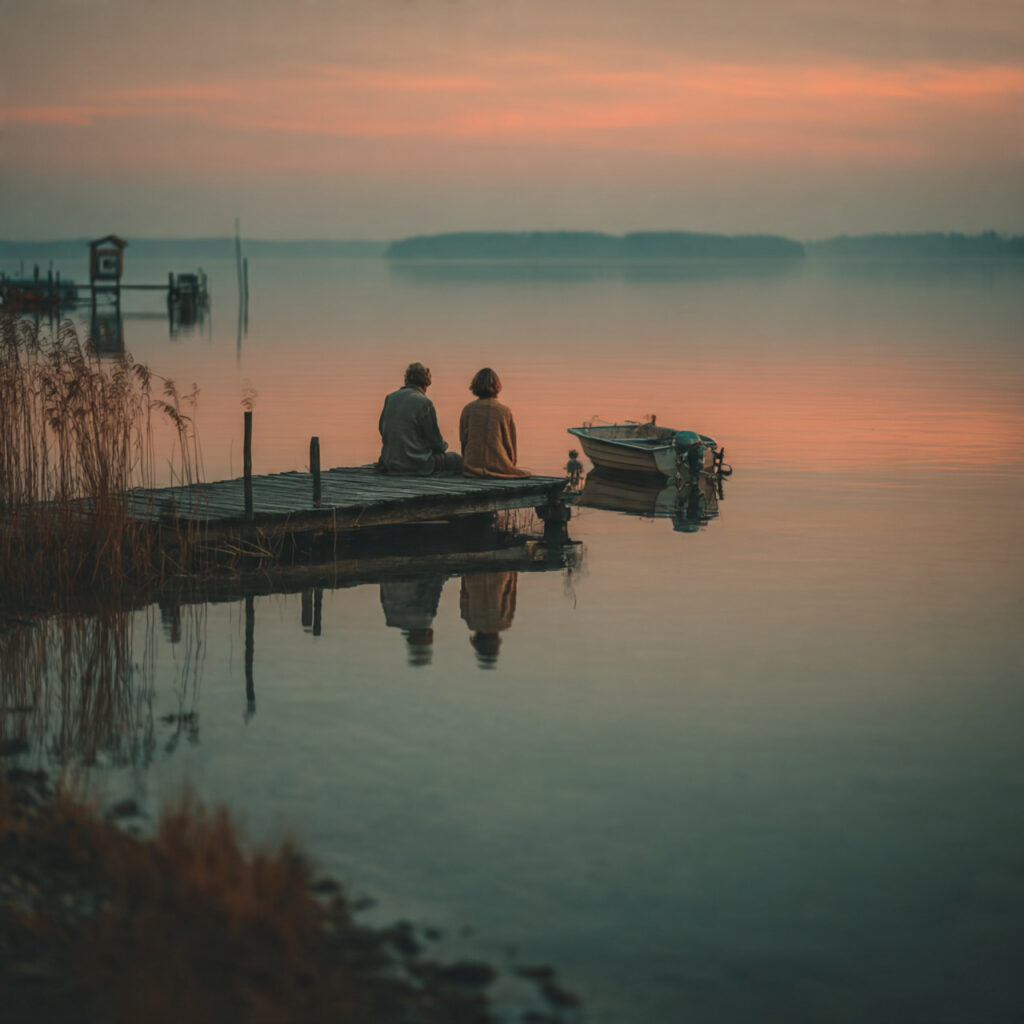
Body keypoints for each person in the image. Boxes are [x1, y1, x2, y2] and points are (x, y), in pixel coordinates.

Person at [378, 362, 462, 475]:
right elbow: (435, 442)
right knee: (456, 459)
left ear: (407, 380)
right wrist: (444, 446)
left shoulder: (390, 398)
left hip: (390, 462)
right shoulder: (424, 402)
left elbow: (382, 430)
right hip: (416, 464)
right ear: (426, 383)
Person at [459, 368, 531, 478]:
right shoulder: (504, 411)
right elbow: (509, 444)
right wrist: (511, 463)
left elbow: (463, 441)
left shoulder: (468, 409)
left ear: (475, 386)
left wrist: (469, 460)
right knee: (526, 473)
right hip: (499, 465)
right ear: (497, 386)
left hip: (472, 466)